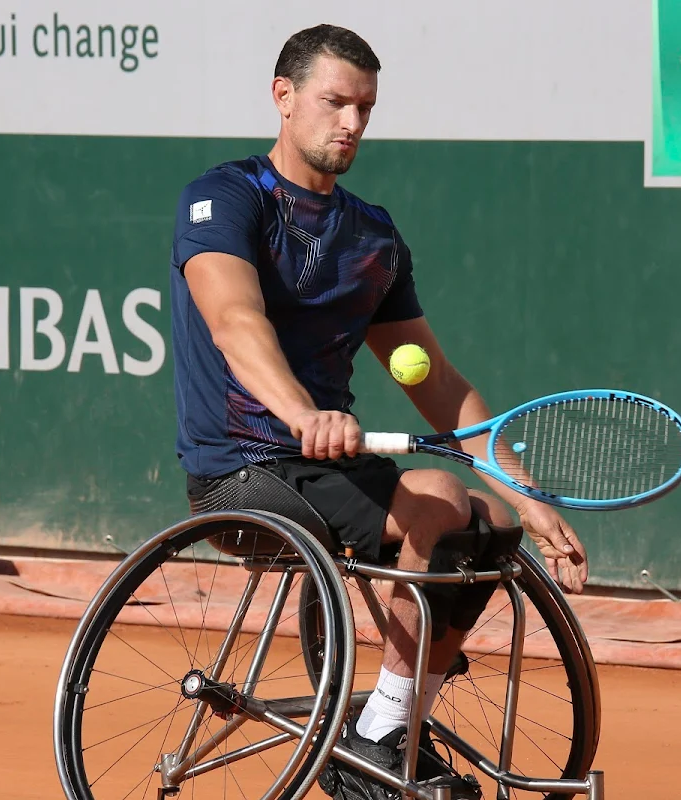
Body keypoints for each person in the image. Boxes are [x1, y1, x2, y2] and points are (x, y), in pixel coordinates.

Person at [169, 23, 589, 800]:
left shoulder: (372, 237)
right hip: (242, 471)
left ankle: (391, 722)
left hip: (331, 469)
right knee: (437, 501)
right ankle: (378, 741)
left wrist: (524, 492)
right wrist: (303, 414)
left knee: (488, 524)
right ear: (283, 98)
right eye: (335, 102)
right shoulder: (224, 200)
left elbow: (436, 383)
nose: (352, 124)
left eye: (365, 107)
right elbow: (236, 322)